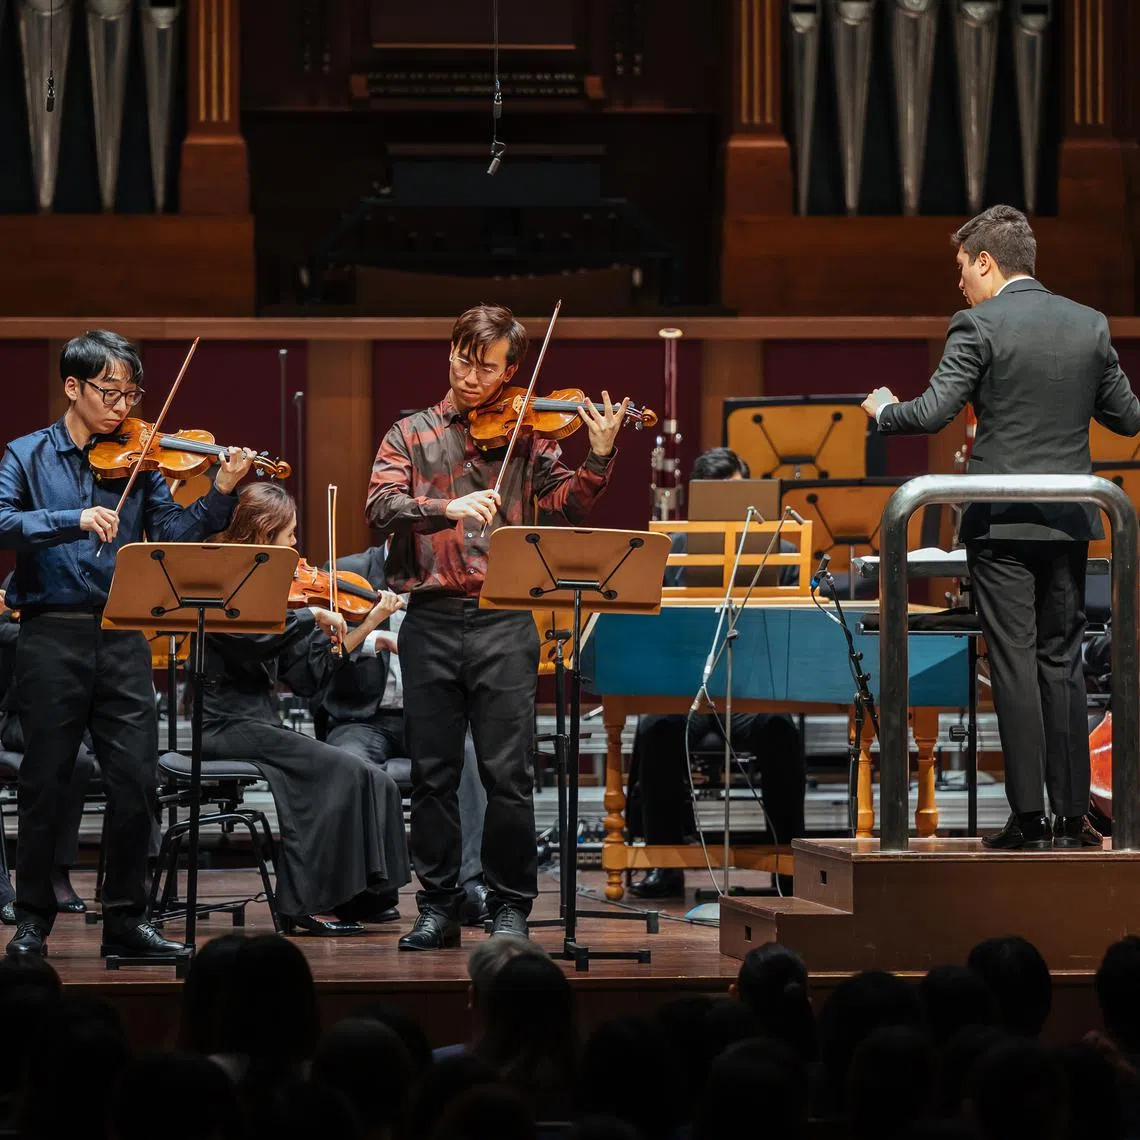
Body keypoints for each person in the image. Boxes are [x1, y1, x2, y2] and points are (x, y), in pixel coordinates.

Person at [862, 205, 1140, 851]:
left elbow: (930, 414)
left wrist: (883, 410)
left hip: (1001, 523)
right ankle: (1073, 820)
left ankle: (1028, 819)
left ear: (986, 261)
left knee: (1013, 664)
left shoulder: (978, 323)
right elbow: (1127, 420)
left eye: (962, 268)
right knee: (1061, 662)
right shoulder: (1088, 324)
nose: (959, 282)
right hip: (1070, 518)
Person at [366, 303, 628, 949]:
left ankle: (510, 902)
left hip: (504, 618)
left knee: (508, 775)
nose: (470, 375)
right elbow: (380, 504)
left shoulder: (531, 434)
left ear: (512, 369)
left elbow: (566, 508)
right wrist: (444, 505)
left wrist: (598, 455)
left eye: (486, 365)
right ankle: (439, 903)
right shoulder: (412, 431)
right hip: (428, 618)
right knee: (432, 774)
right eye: (462, 358)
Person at [0, 330, 253, 960]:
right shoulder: (26, 455)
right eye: (110, 392)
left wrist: (220, 491)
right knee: (44, 782)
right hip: (49, 635)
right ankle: (31, 920)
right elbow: (2, 520)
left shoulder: (141, 463)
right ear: (73, 388)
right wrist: (72, 520)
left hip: (121, 638)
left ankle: (126, 920)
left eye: (131, 393)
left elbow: (174, 532)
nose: (123, 406)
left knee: (135, 781)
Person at [202, 483, 411, 934]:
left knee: (370, 776)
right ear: (263, 532)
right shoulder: (225, 581)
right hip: (222, 723)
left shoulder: (277, 590)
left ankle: (367, 896)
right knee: (338, 770)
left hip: (258, 722)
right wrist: (310, 616)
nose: (297, 547)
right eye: (290, 535)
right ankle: (304, 902)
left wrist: (366, 626)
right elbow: (249, 642)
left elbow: (307, 676)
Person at [627, 446, 805, 899]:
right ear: (699, 502)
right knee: (655, 729)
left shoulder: (781, 553)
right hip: (688, 693)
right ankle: (665, 866)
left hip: (754, 695)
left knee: (782, 731)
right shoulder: (672, 551)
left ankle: (789, 865)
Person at [313, 544, 490, 925]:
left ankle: (470, 885)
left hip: (431, 715)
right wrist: (373, 639)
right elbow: (320, 651)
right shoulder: (346, 572)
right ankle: (368, 891)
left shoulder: (452, 577)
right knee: (351, 764)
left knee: (467, 755)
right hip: (364, 718)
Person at [0, 577, 94, 924]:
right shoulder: (24, 576)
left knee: (134, 759)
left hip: (70, 706)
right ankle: (53, 872)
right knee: (77, 761)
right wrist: (31, 623)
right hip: (18, 716)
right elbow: (7, 635)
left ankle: (138, 874)